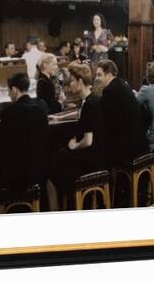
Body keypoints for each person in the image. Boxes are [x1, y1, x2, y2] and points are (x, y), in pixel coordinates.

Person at [0, 72, 49, 213]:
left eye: (9, 91)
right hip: (39, 172)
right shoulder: (41, 109)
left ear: (14, 90)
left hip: (17, 176)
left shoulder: (9, 112)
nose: (9, 95)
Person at [47, 62, 106, 210]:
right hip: (98, 154)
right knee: (56, 156)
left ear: (80, 81)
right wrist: (60, 118)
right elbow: (80, 113)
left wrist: (74, 146)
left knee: (49, 164)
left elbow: (88, 141)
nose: (70, 84)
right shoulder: (91, 100)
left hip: (90, 160)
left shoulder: (90, 105)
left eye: (72, 80)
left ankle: (58, 210)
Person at [96, 60, 148, 164]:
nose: (97, 78)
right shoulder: (122, 84)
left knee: (99, 148)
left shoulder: (110, 90)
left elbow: (98, 112)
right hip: (139, 142)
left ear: (109, 75)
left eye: (99, 75)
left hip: (128, 147)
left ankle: (108, 178)